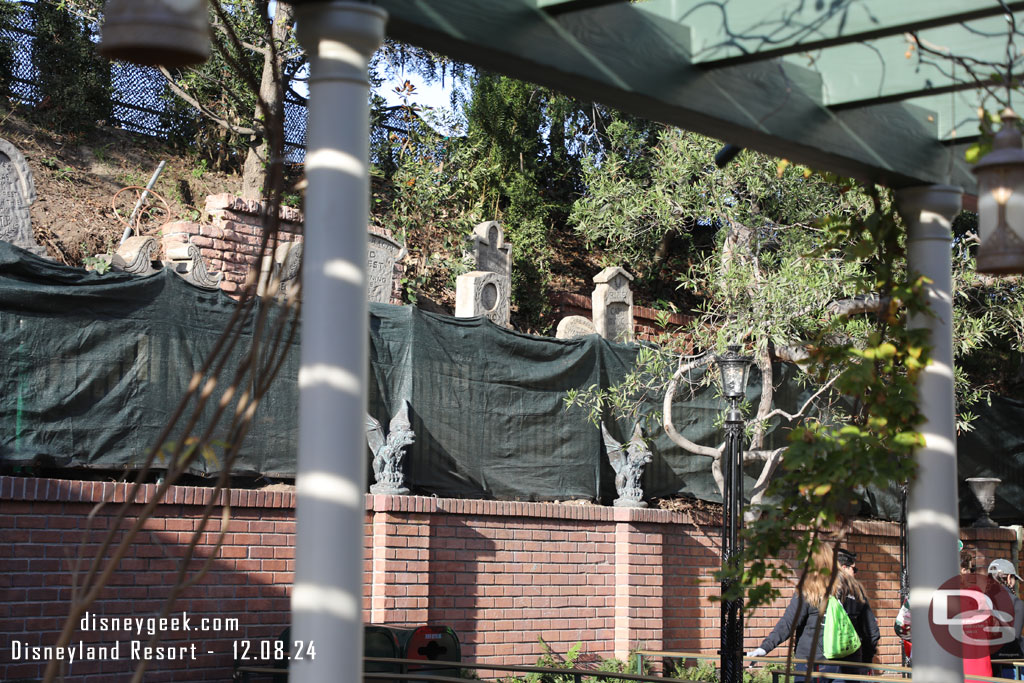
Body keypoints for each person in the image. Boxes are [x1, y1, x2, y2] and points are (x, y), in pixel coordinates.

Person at [745, 544, 864, 682]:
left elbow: (789, 623)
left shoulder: (808, 591)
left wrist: (764, 648)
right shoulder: (847, 591)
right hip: (842, 663)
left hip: (811, 663)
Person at [835, 549, 880, 675]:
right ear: (844, 568)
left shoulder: (817, 590)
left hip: (822, 662)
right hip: (853, 660)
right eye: (854, 569)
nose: (855, 573)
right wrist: (866, 660)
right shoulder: (856, 592)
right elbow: (872, 631)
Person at [988, 558, 1024, 679]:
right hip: (1010, 665)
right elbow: (1014, 639)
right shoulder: (1016, 603)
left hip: (985, 665)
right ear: (1009, 578)